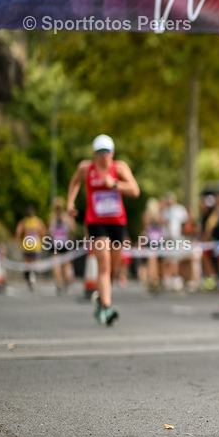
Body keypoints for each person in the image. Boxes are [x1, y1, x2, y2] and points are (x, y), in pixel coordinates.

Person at [66, 134, 141, 325]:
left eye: (106, 151)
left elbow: (135, 190)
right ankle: (107, 307)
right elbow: (75, 182)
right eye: (99, 152)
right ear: (94, 153)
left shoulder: (120, 168)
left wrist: (114, 184)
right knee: (104, 264)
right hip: (95, 222)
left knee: (113, 269)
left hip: (117, 222)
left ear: (112, 152)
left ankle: (100, 299)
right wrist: (70, 202)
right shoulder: (86, 168)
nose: (103, 156)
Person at [47, 197, 76, 294]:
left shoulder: (52, 217)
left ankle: (58, 282)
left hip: (55, 242)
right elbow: (73, 229)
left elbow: (49, 231)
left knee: (56, 263)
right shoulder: (67, 217)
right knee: (66, 264)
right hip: (65, 242)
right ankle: (66, 281)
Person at [15, 205, 47, 290]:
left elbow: (18, 232)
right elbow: (44, 232)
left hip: (26, 246)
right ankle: (33, 277)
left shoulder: (23, 222)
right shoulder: (38, 221)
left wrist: (20, 241)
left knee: (27, 263)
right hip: (36, 246)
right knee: (35, 263)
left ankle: (28, 277)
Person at [160, 192, 188, 291]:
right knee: (168, 258)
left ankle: (176, 277)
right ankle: (169, 278)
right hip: (167, 237)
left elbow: (185, 222)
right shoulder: (165, 211)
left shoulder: (179, 209)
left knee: (176, 258)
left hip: (177, 237)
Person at [142, 197, 164, 293]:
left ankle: (153, 279)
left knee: (153, 260)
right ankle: (154, 280)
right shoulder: (156, 215)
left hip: (152, 239)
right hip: (156, 239)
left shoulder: (151, 215)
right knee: (154, 260)